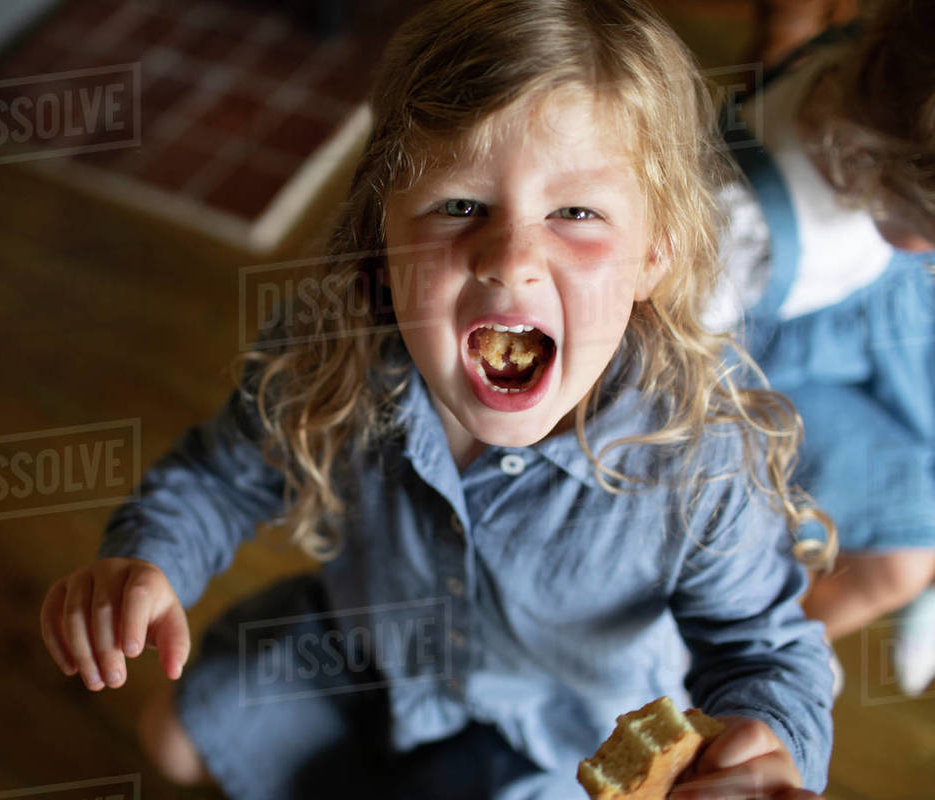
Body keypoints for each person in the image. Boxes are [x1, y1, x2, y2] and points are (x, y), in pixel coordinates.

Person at [41, 1, 836, 797]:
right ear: (380, 247)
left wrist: (766, 741)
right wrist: (147, 559)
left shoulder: (695, 457)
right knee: (179, 736)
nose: (510, 259)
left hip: (557, 732)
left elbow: (767, 650)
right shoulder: (333, 349)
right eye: (460, 205)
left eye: (576, 213)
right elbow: (221, 475)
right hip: (368, 647)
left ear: (653, 255)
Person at [709, 0, 935, 694]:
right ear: (874, 163)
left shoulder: (878, 58)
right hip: (769, 371)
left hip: (876, 314)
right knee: (901, 559)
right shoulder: (738, 228)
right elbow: (681, 377)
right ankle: (746, 663)